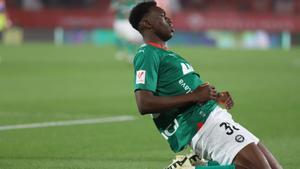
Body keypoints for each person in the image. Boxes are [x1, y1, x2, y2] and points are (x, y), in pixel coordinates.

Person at [129, 1, 283, 169]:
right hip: (201, 124)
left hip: (213, 115)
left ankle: (202, 166)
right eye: (162, 17)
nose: (169, 20)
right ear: (146, 23)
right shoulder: (147, 53)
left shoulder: (167, 54)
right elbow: (144, 103)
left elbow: (184, 89)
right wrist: (194, 96)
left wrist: (214, 97)